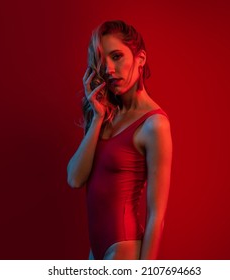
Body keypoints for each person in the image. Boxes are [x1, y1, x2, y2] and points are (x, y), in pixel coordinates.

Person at [67, 20, 172, 260]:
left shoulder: (154, 124)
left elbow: (156, 213)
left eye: (117, 56)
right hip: (95, 249)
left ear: (140, 58)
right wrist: (96, 118)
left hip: (123, 248)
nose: (109, 69)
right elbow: (74, 178)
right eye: (103, 62)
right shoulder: (106, 115)